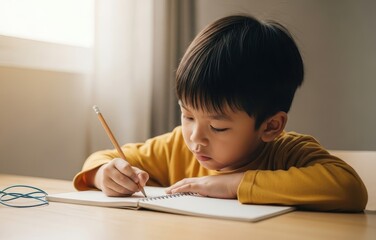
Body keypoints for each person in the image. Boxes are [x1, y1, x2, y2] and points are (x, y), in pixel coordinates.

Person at [73, 15, 367, 212]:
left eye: (218, 127)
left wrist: (234, 183)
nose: (195, 139)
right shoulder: (177, 147)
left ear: (271, 126)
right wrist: (104, 175)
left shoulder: (287, 153)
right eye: (187, 116)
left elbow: (350, 188)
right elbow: (103, 159)